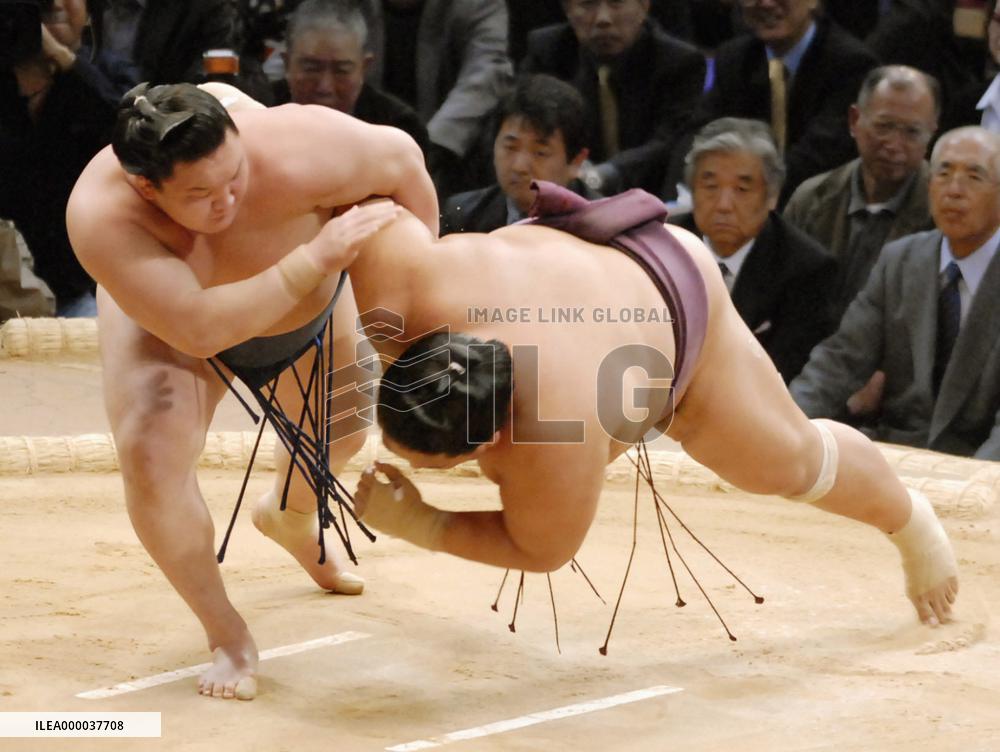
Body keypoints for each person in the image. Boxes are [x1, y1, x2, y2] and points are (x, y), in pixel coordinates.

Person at [345, 180, 958, 635]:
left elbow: (542, 549)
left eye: (430, 460)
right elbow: (376, 171)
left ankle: (911, 522)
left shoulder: (557, 437)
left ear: (487, 442)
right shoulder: (403, 282)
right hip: (592, 265)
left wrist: (421, 523)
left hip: (672, 295)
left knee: (783, 462)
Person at [66, 82, 438, 700]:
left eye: (235, 175)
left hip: (309, 309)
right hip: (178, 330)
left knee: (344, 434)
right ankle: (227, 634)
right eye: (201, 195)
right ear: (147, 189)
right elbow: (197, 324)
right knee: (150, 452)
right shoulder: (103, 216)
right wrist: (314, 257)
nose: (229, 201)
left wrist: (419, 287)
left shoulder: (299, 146)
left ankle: (289, 515)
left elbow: (402, 161)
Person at [791, 126, 1000, 459]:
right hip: (896, 455)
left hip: (981, 466)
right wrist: (785, 428)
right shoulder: (900, 260)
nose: (954, 190)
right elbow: (840, 361)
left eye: (974, 177)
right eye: (943, 173)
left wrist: (975, 488)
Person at [0, 0, 138, 316]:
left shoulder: (112, 73)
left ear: (90, 12)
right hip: (7, 285)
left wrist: (64, 60)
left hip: (88, 283)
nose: (53, 4)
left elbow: (130, 134)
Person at [673, 117, 836, 383]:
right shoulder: (662, 245)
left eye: (742, 189)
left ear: (772, 196)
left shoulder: (807, 269)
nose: (724, 204)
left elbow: (788, 371)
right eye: (710, 187)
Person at [675, 0, 878, 205]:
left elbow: (821, 156)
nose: (766, 3)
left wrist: (745, 188)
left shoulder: (851, 64)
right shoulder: (734, 57)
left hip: (817, 206)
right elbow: (699, 132)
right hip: (736, 201)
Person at [784, 65, 938, 319]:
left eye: (912, 132)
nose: (894, 145)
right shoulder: (811, 198)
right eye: (884, 126)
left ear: (931, 134)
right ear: (854, 120)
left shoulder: (942, 211)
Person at [520, 0, 705, 195]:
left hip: (654, 193)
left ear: (644, 7)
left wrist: (605, 173)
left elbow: (671, 140)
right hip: (565, 191)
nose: (603, 19)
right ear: (568, 10)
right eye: (588, 4)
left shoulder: (680, 62)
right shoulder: (547, 51)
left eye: (616, 3)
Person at [360, 0, 515, 196]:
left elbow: (486, 73)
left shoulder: (476, 4)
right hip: (360, 146)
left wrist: (428, 146)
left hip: (448, 156)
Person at [441, 74, 594, 235]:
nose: (519, 166)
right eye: (510, 147)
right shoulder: (462, 215)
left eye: (540, 153)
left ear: (576, 161)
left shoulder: (602, 222)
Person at [273, 0, 430, 154]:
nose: (325, 87)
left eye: (341, 71)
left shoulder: (398, 130)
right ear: (287, 63)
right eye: (311, 69)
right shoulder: (259, 111)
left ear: (364, 67)